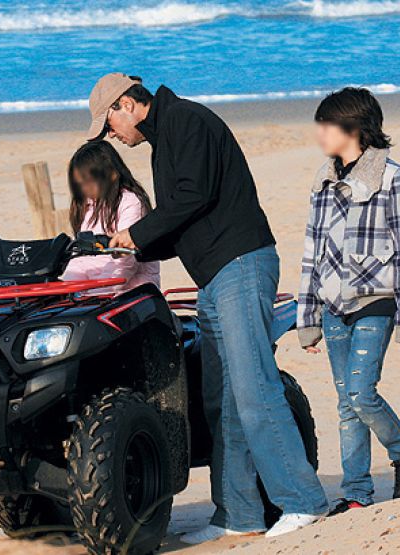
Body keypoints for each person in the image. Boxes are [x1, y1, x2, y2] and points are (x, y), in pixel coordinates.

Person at [85, 73, 329, 541]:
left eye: (109, 123)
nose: (111, 136)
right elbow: (183, 220)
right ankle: (238, 514)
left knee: (255, 389)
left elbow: (192, 196)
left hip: (241, 265)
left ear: (127, 104)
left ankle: (304, 502)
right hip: (213, 279)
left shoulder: (186, 120)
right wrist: (130, 249)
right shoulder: (165, 138)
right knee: (223, 400)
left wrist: (137, 235)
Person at [298, 87, 400, 516]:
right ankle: (357, 494)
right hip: (332, 305)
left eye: (327, 125)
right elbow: (311, 250)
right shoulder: (323, 181)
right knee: (344, 404)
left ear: (353, 128)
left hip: (377, 299)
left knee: (361, 393)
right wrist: (308, 317)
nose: (320, 133)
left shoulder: (394, 178)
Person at [61, 140, 160, 295]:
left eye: (88, 183)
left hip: (131, 291)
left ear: (112, 174)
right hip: (95, 291)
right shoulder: (88, 207)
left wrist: (99, 293)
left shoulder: (131, 203)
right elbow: (80, 259)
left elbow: (125, 261)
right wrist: (69, 288)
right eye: (79, 184)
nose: (84, 189)